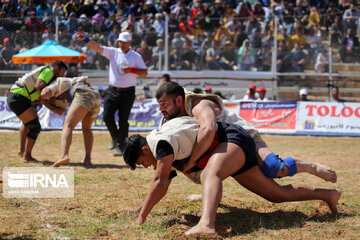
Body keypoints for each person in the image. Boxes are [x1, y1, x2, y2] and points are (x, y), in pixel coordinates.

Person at [123, 117, 341, 236]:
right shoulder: (162, 147)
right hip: (227, 152)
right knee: (277, 194)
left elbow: (159, 181)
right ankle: (329, 195)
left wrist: (140, 220)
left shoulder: (160, 144)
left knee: (211, 173)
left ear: (144, 150)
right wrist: (141, 209)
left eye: (143, 163)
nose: (147, 167)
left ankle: (207, 224)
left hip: (232, 138)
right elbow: (163, 182)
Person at [155, 82, 337, 183]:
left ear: (179, 100)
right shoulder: (170, 118)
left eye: (164, 103)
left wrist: (193, 160)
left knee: (275, 169)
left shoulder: (198, 105)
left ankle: (307, 166)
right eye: (159, 104)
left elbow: (208, 130)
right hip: (224, 147)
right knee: (204, 175)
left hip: (244, 137)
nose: (161, 108)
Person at [75, 30, 148, 156]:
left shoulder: (136, 56)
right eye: (120, 42)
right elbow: (97, 47)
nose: (121, 44)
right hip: (113, 90)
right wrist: (85, 39)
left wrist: (132, 70)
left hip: (128, 92)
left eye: (124, 42)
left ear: (130, 42)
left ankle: (121, 146)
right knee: (107, 116)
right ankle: (116, 139)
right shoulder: (113, 52)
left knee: (123, 120)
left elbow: (145, 73)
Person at [7, 61, 67, 162]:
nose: (62, 75)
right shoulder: (49, 71)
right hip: (19, 97)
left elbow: (36, 92)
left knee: (27, 124)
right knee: (35, 126)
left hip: (17, 96)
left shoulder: (46, 70)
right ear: (56, 68)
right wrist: (49, 96)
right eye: (62, 72)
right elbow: (39, 86)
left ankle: (22, 151)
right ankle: (27, 156)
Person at [40, 76, 101, 167]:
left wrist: (39, 96)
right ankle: (87, 159)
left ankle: (64, 155)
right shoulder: (63, 91)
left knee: (67, 126)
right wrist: (45, 102)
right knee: (87, 129)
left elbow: (45, 93)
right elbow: (60, 111)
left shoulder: (57, 82)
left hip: (82, 93)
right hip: (95, 96)